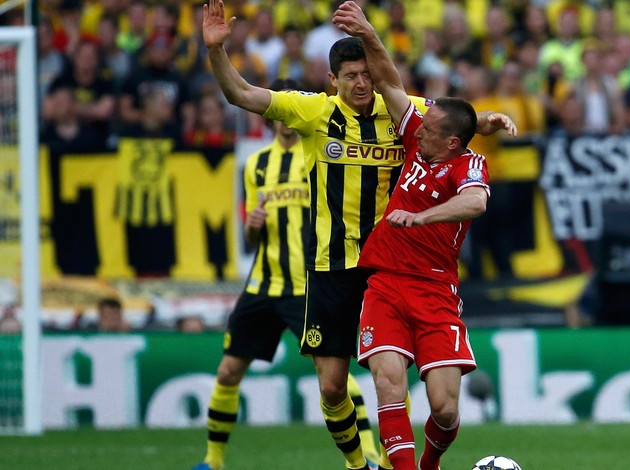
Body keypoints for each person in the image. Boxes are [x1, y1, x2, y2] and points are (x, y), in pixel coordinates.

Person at [202, 2, 514, 468]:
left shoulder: (399, 113)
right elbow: (241, 94)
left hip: (389, 266)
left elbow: (452, 120)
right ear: (333, 80)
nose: (362, 82)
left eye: (366, 73)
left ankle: (392, 463)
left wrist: (487, 119)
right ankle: (357, 463)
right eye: (350, 75)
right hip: (331, 264)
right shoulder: (312, 112)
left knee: (393, 374)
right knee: (331, 386)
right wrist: (217, 51)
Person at [332, 2, 515, 469]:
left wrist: (424, 216)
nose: (415, 127)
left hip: (436, 288)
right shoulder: (419, 134)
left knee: (446, 408)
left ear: (452, 142)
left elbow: (476, 203)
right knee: (388, 381)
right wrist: (370, 33)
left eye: (429, 128)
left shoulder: (468, 164)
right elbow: (391, 82)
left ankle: (430, 463)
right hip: (387, 281)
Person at [192, 78, 377, 470]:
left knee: (334, 377)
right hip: (263, 283)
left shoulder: (322, 152)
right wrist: (253, 225)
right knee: (227, 371)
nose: (288, 119)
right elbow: (249, 235)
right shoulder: (257, 164)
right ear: (273, 115)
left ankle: (370, 454)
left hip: (307, 284)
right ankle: (212, 460)